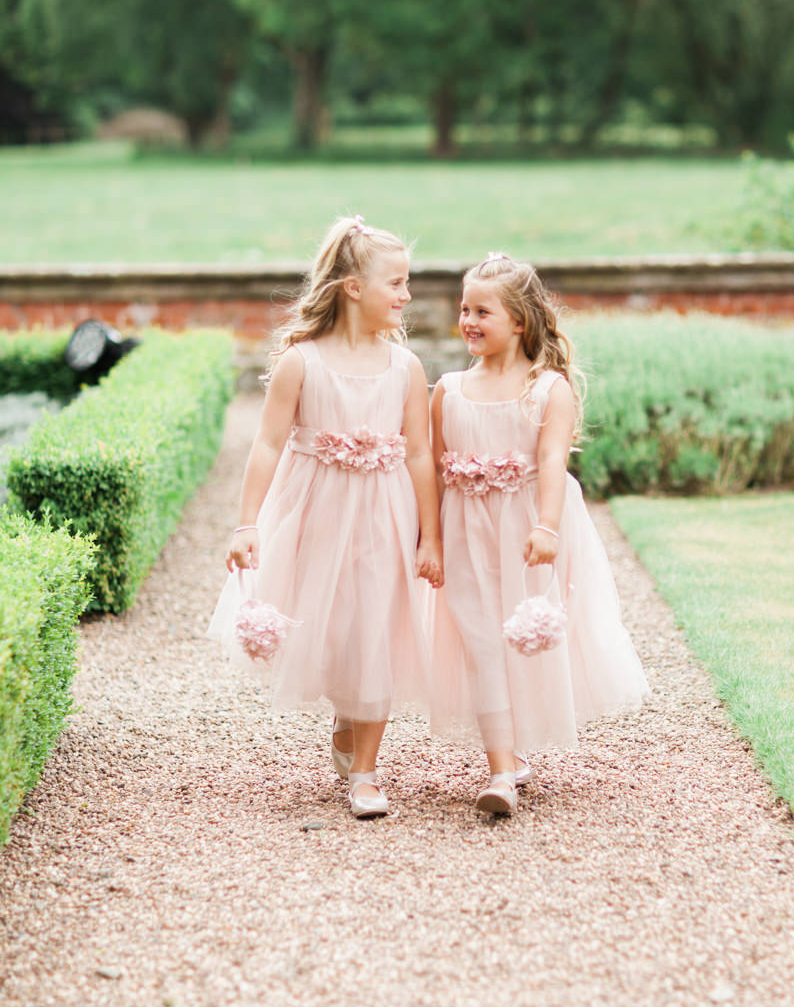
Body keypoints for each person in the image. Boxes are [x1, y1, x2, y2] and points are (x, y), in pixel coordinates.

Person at [208, 215, 443, 819]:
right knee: (333, 624)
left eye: (407, 282)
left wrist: (430, 535)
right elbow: (266, 445)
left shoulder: (406, 368)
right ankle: (346, 715)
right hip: (316, 511)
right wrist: (246, 523)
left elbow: (419, 452)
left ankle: (365, 768)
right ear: (353, 288)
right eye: (396, 282)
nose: (406, 295)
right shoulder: (300, 363)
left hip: (385, 514)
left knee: (378, 626)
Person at [430, 252, 648, 815]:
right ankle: (500, 771)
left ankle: (517, 748)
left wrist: (547, 526)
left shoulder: (547, 389)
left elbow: (553, 461)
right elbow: (431, 468)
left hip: (528, 526)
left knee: (522, 638)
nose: (469, 321)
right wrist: (428, 539)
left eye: (484, 311)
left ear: (520, 321)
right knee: (479, 640)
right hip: (465, 530)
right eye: (464, 309)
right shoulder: (448, 391)